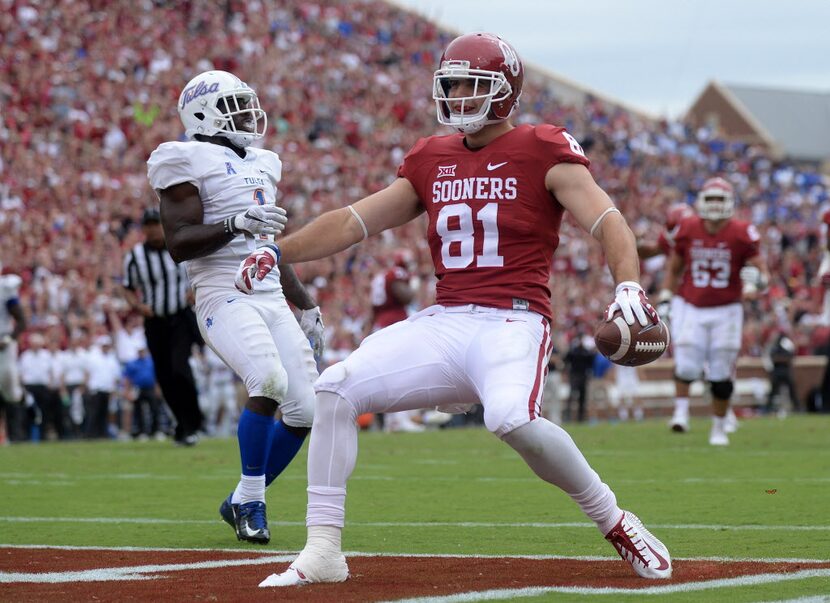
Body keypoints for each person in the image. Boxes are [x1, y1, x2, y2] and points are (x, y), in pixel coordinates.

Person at [244, 33, 672, 586]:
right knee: (334, 388)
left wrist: (629, 286)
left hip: (514, 319)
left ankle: (614, 520)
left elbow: (608, 220)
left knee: (511, 419)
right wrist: (279, 252)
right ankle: (323, 549)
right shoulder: (429, 157)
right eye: (450, 83)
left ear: (504, 90)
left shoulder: (544, 147)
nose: (457, 94)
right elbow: (356, 220)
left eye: (471, 83)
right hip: (446, 319)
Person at [146, 70, 324, 545]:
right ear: (202, 113)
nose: (248, 113)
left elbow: (268, 245)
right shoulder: (181, 157)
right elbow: (180, 243)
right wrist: (235, 222)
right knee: (267, 380)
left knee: (305, 409)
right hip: (222, 292)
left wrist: (304, 305)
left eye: (247, 103)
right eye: (235, 105)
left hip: (267, 290)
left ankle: (241, 497)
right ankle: (251, 501)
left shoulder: (263, 161)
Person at [661, 177, 769, 445]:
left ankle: (719, 428)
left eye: (720, 199)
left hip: (727, 308)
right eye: (711, 199)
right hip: (692, 306)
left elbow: (762, 273)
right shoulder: (687, 228)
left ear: (730, 202)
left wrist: (757, 283)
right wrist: (665, 295)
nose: (715, 205)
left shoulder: (742, 232)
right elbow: (675, 267)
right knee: (686, 365)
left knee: (721, 374)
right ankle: (681, 413)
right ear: (701, 201)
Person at [122, 207, 204, 446]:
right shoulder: (135, 256)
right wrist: (137, 306)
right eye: (148, 225)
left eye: (156, 224)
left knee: (180, 368)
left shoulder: (179, 247)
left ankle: (192, 421)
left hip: (180, 318)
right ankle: (181, 424)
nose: (153, 229)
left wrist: (194, 290)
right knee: (165, 375)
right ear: (143, 229)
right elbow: (127, 288)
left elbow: (199, 272)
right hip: (154, 321)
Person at [370, 249, 423, 432]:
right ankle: (398, 419)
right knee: (401, 371)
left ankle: (395, 419)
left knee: (388, 374)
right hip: (394, 324)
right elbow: (405, 296)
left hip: (381, 325)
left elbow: (373, 308)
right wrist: (414, 286)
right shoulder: (396, 274)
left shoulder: (380, 276)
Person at [0, 266, 26, 443]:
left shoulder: (5, 289)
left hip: (4, 344)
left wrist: (8, 340)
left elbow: (22, 321)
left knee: (9, 390)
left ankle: (17, 434)